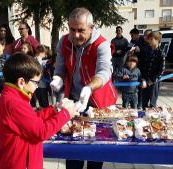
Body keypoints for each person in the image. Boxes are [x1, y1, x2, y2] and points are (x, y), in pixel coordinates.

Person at [50, 7, 117, 169]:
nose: (75, 35)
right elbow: (60, 66)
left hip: (98, 102)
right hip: (73, 100)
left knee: (95, 148)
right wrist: (58, 78)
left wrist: (89, 88)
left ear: (91, 28)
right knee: (72, 145)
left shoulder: (101, 44)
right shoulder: (64, 41)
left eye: (81, 30)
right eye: (72, 29)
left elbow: (105, 70)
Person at [0, 52, 78, 169]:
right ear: (21, 82)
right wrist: (66, 114)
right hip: (20, 163)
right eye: (36, 82)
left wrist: (54, 110)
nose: (37, 86)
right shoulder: (15, 103)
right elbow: (40, 132)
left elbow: (31, 121)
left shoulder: (14, 96)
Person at [137, 31, 165, 110]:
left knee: (152, 103)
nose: (149, 41)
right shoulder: (147, 52)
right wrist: (143, 78)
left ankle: (152, 119)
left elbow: (161, 70)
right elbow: (143, 66)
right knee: (144, 102)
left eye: (151, 39)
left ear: (157, 40)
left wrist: (151, 81)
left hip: (154, 81)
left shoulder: (161, 53)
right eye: (149, 39)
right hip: (145, 80)